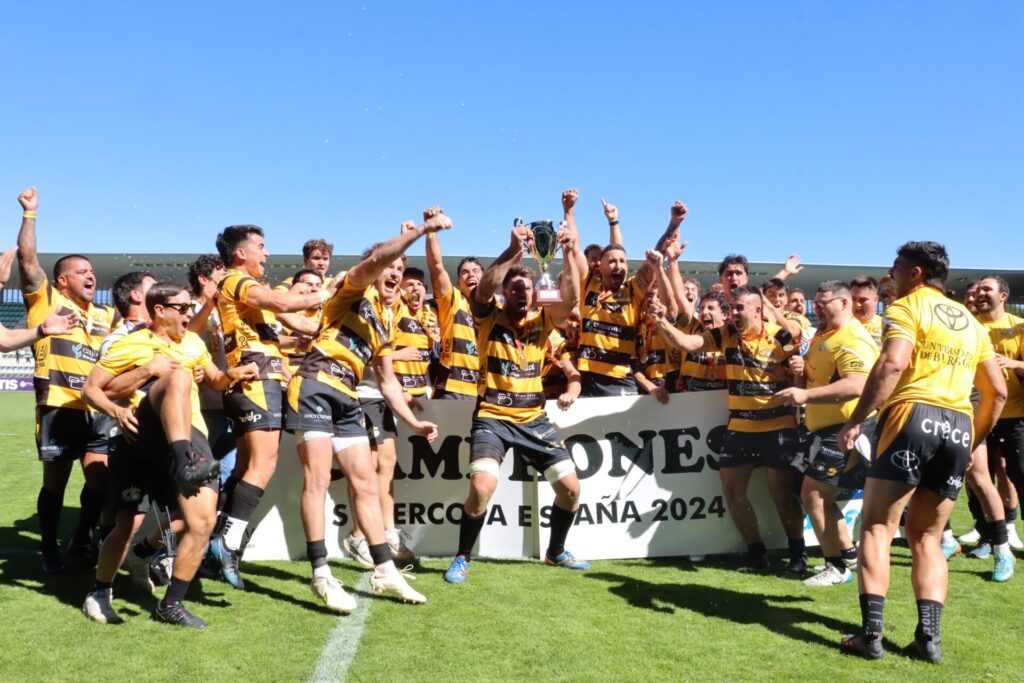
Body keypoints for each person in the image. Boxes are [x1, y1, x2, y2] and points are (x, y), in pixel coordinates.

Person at [837, 241, 1006, 663]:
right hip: (958, 424)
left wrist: (857, 417)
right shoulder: (971, 321)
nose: (890, 274)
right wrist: (973, 441)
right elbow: (998, 392)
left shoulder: (907, 307)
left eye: (896, 267)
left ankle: (871, 635)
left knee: (876, 527)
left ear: (915, 274)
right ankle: (928, 640)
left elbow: (892, 365)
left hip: (911, 416)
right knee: (928, 537)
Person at [287, 209, 448, 610]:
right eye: (390, 266)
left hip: (348, 397)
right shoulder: (352, 289)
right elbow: (374, 261)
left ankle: (384, 571)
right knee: (319, 479)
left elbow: (388, 381)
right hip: (314, 385)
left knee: (365, 482)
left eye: (400, 267)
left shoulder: (388, 321)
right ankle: (321, 574)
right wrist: (422, 232)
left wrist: (414, 422)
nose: (395, 272)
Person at [81, 282, 258, 627]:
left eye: (192, 307)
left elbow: (215, 380)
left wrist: (233, 374)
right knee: (126, 524)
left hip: (192, 435)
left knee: (202, 521)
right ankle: (100, 591)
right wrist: (137, 385)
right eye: (183, 307)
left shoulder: (192, 342)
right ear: (159, 310)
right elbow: (92, 389)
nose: (190, 313)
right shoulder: (130, 343)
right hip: (143, 435)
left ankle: (171, 604)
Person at [443, 221, 584, 583]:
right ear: (506, 293)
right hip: (492, 416)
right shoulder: (489, 318)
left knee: (571, 490)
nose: (522, 291)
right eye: (515, 287)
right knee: (481, 488)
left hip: (534, 419)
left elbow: (569, 300)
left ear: (536, 294)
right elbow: (484, 289)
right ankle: (462, 556)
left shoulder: (544, 322)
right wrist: (511, 252)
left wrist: (568, 252)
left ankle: (555, 552)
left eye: (527, 287)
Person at [206, 224, 341, 589]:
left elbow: (296, 322)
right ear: (240, 253)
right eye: (261, 247)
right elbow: (282, 303)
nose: (266, 254)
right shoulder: (236, 281)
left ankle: (213, 541)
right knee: (263, 466)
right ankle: (227, 542)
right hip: (257, 380)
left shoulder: (251, 291)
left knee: (247, 469)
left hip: (260, 380)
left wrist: (332, 304)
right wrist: (325, 290)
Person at [648, 285, 806, 574]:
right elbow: (687, 344)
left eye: (739, 309)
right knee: (733, 492)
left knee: (780, 493)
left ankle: (798, 554)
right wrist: (660, 321)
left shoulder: (780, 335)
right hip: (741, 425)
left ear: (757, 310)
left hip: (778, 425)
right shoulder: (727, 334)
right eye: (732, 309)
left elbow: (802, 367)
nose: (733, 314)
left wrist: (797, 368)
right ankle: (756, 554)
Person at [16, 186, 120, 573]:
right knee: (54, 486)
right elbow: (27, 261)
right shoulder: (47, 303)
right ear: (62, 281)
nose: (90, 275)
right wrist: (30, 214)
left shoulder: (107, 315)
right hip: (58, 406)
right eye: (81, 271)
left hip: (96, 409)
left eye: (92, 271)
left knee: (99, 480)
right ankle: (48, 549)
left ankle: (80, 540)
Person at [771, 281, 879, 587]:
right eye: (814, 302)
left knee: (814, 494)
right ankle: (847, 555)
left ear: (844, 304)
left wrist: (805, 396)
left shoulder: (851, 337)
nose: (816, 307)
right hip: (823, 429)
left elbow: (858, 384)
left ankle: (836, 567)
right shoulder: (823, 333)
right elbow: (819, 375)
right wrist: (800, 371)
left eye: (824, 302)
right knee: (819, 496)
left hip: (847, 428)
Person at [971, 275, 1024, 558]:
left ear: (1002, 296)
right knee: (979, 479)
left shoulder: (1018, 326)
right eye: (978, 289)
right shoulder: (968, 326)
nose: (980, 294)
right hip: (977, 416)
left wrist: (1012, 362)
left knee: (1019, 474)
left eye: (986, 289)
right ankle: (987, 538)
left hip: (1015, 416)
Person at [850, 276, 884, 347]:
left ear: (875, 300)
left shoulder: (886, 327)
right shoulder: (840, 325)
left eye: (862, 300)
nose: (857, 304)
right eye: (853, 299)